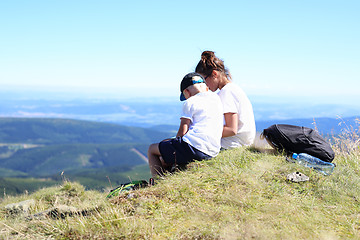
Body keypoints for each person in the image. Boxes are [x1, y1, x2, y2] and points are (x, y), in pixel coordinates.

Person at [147, 72, 223, 177]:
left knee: (152, 149)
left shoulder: (190, 102)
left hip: (194, 147)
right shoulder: (216, 99)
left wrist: (172, 142)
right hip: (213, 150)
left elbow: (182, 132)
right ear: (206, 88)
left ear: (186, 92)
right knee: (166, 149)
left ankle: (158, 182)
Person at [195, 50, 256, 149]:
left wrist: (202, 132)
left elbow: (232, 129)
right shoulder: (232, 89)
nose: (203, 85)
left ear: (214, 74)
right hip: (239, 142)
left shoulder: (227, 92)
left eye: (203, 80)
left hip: (233, 144)